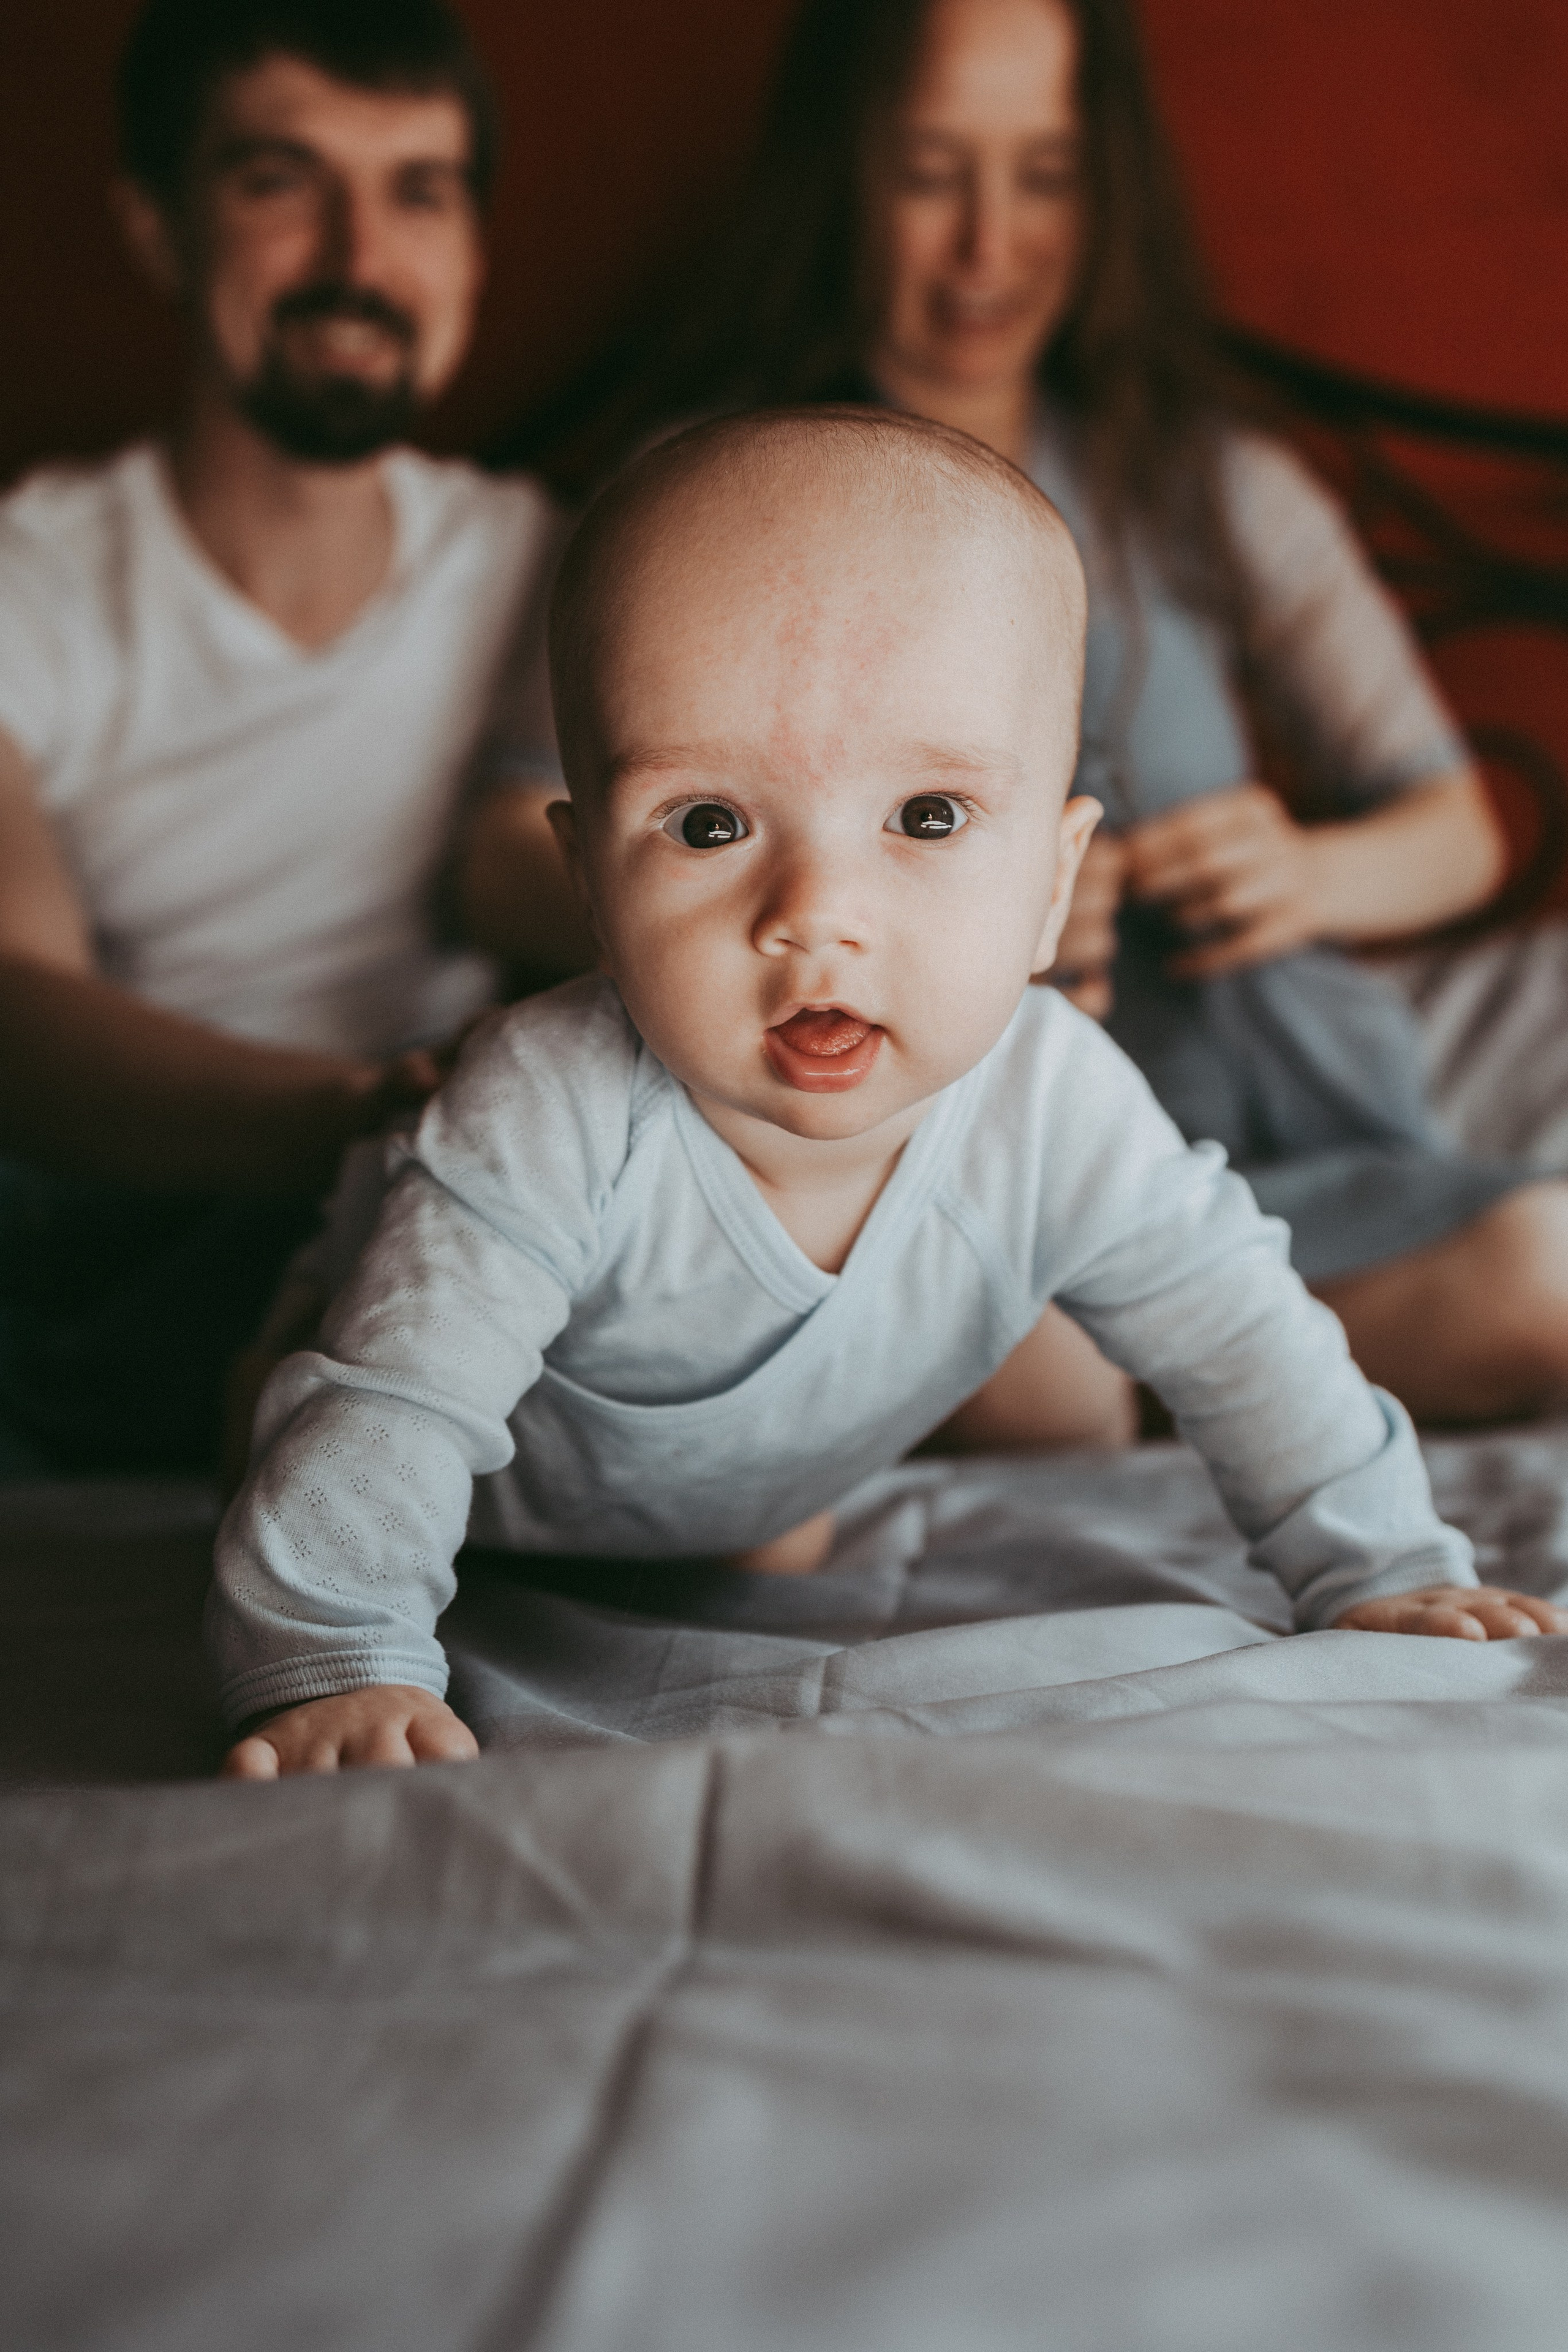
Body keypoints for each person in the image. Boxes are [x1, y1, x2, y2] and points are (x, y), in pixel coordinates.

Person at [207, 410, 1556, 1780]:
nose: (817, 915)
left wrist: (1378, 1568)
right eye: (707, 825)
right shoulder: (551, 1105)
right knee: (308, 1413)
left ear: (1049, 882)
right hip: (463, 1457)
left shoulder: (1058, 1101)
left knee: (783, 1522)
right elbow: (400, 1408)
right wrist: (339, 1652)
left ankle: (725, 1503)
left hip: (729, 1480)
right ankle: (265, 1406)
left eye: (925, 818)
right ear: (590, 889)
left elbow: (1246, 1340)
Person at [542, 0, 1568, 1431]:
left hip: (1270, 1142)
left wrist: (1305, 869)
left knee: (1544, 1272)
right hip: (928, 1158)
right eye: (928, 172)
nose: (987, 245)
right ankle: (1175, 1382)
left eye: (1042, 174)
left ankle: (1166, 1370)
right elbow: (517, 847)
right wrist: (941, 919)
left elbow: (1457, 827)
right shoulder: (713, 503)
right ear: (840, 174)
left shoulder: (1206, 484)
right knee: (1027, 1371)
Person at [0, 0, 586, 1476]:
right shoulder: (35, 579)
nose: (357, 258)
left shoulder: (548, 565)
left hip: (467, 1190)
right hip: (135, 1226)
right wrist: (353, 1123)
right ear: (156, 227)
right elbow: (12, 1014)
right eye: (280, 181)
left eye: (417, 191)